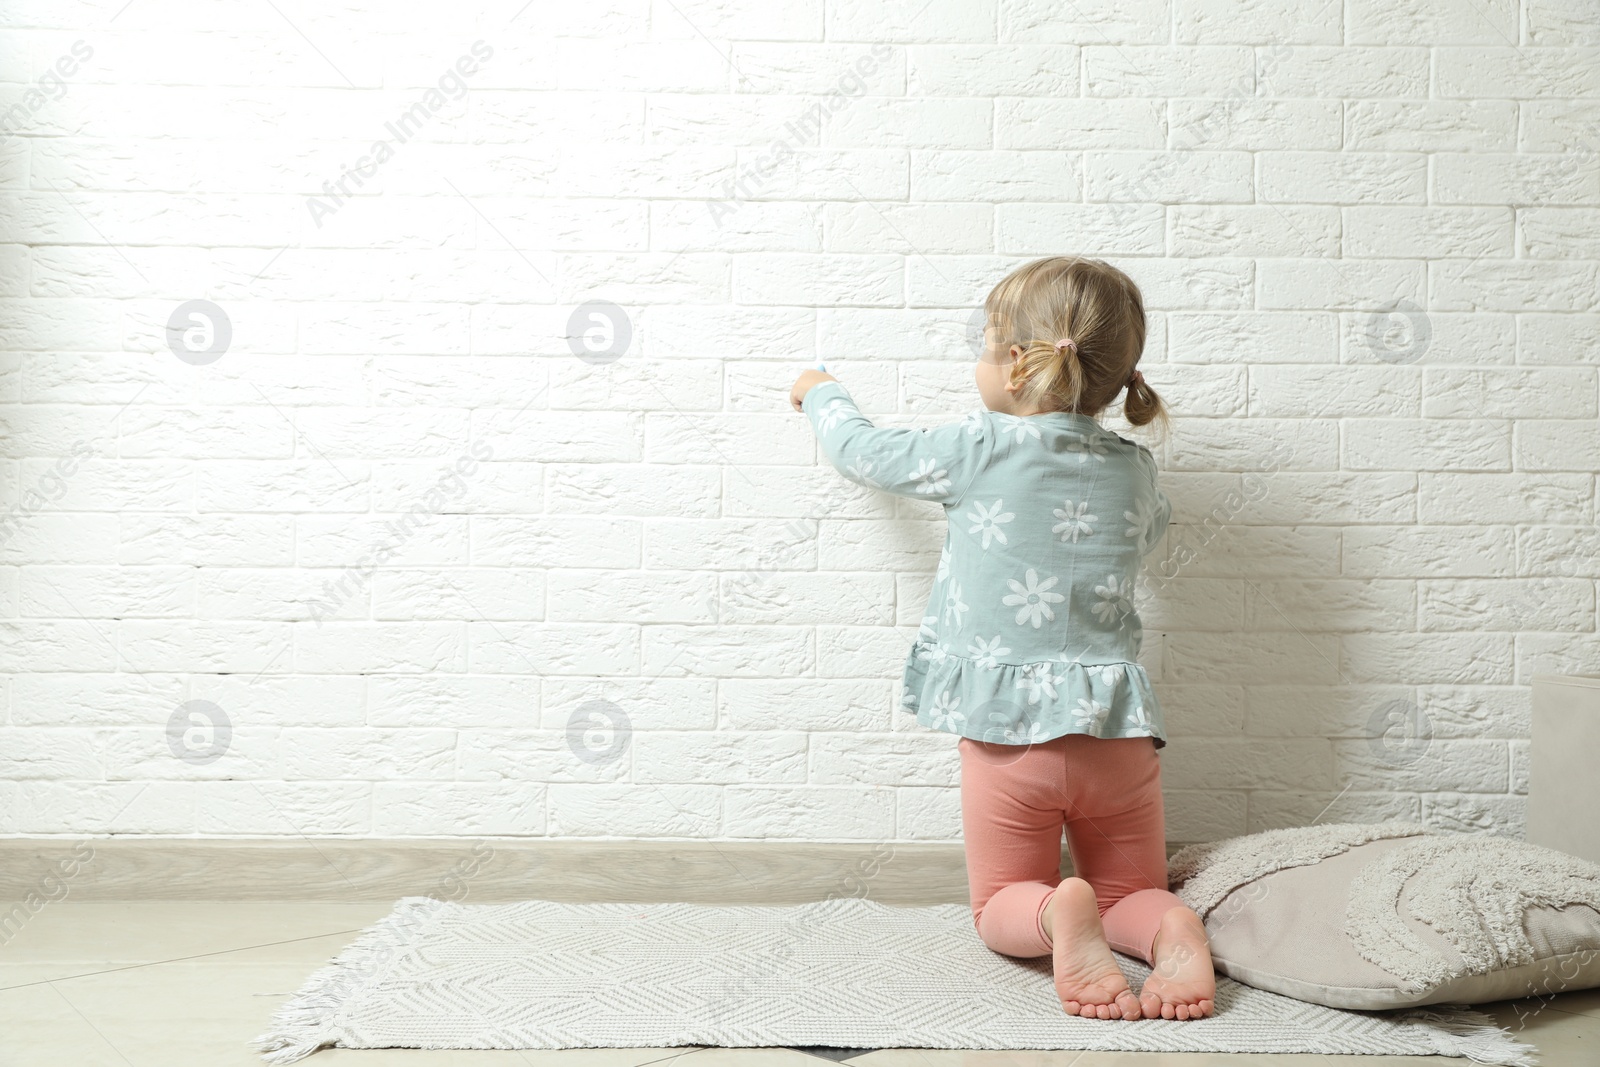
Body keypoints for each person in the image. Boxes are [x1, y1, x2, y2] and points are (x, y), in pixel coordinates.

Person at [790, 255, 1215, 1021]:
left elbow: (865, 453)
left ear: (1017, 363)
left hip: (1006, 732)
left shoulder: (977, 446)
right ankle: (1167, 925)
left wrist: (822, 394)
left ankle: (1056, 917)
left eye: (986, 347)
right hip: (1114, 729)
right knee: (1131, 893)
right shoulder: (1136, 470)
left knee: (999, 905)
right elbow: (1153, 532)